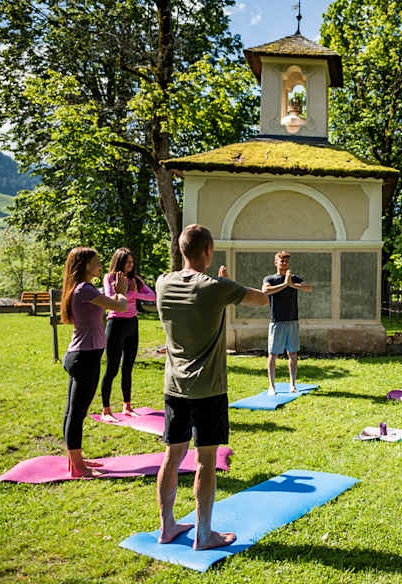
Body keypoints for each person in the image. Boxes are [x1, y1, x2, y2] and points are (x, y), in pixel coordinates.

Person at [154, 224, 269, 550]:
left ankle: (167, 527)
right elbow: (260, 300)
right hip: (208, 390)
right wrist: (226, 282)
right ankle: (204, 534)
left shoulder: (163, 282)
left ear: (181, 250)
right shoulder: (217, 287)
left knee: (172, 457)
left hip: (174, 387)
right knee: (205, 461)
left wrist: (220, 284)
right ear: (208, 251)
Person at [59, 247, 129, 478]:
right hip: (84, 358)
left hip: (81, 355)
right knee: (77, 413)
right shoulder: (85, 289)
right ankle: (78, 467)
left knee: (73, 412)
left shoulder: (82, 288)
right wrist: (121, 292)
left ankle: (74, 460)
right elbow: (120, 306)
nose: (100, 265)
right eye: (97, 262)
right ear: (85, 265)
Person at [99, 247, 156, 422]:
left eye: (132, 262)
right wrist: (127, 294)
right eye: (127, 262)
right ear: (119, 262)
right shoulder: (109, 278)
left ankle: (127, 406)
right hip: (116, 324)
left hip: (132, 324)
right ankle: (106, 410)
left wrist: (133, 292)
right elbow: (110, 299)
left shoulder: (135, 279)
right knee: (112, 368)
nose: (130, 265)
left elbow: (152, 296)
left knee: (128, 367)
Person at [262, 251, 313, 394]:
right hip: (277, 321)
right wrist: (285, 284)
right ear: (275, 262)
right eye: (281, 261)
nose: (284, 263)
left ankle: (292, 384)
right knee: (273, 354)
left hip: (292, 321)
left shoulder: (294, 278)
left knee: (293, 354)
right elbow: (265, 290)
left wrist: (292, 284)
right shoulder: (270, 278)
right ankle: (271, 386)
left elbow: (308, 288)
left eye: (286, 261)